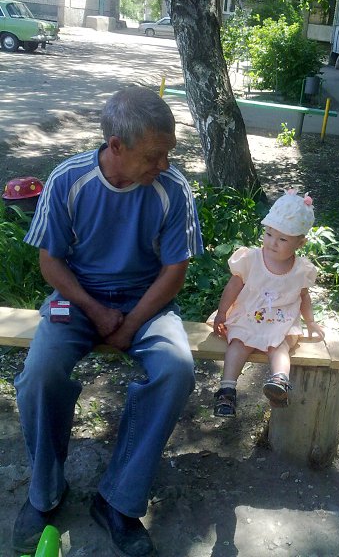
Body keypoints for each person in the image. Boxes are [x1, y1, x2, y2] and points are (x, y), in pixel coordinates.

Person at [12, 86, 203, 557]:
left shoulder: (173, 188)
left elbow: (174, 271)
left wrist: (131, 323)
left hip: (147, 301)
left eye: (168, 153)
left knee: (176, 369)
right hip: (77, 299)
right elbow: (51, 262)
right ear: (116, 145)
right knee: (39, 373)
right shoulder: (68, 179)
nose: (164, 164)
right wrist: (96, 311)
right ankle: (45, 493)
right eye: (154, 155)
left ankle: (118, 500)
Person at [210, 189, 325, 418]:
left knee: (280, 346)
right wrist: (222, 312)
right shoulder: (251, 259)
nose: (272, 242)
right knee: (238, 343)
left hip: (281, 322)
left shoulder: (301, 269)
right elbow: (233, 286)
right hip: (248, 316)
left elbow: (304, 297)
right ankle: (227, 390)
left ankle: (279, 381)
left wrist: (310, 322)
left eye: (282, 239)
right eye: (269, 234)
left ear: (300, 243)